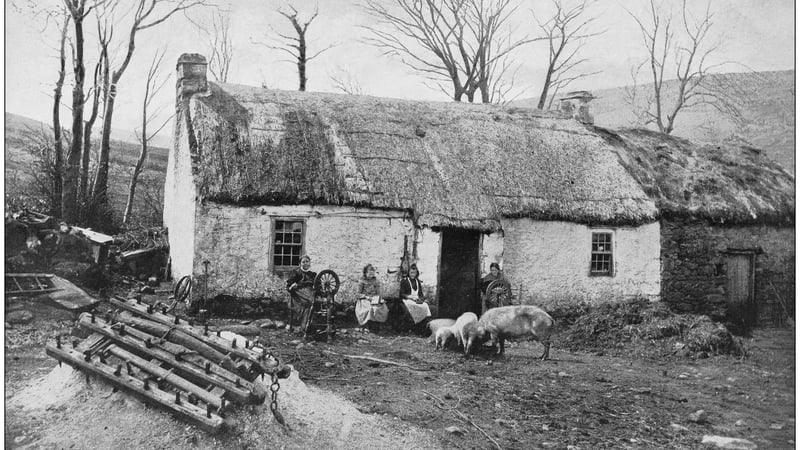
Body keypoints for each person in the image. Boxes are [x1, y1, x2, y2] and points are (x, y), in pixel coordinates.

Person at [286, 255, 317, 331]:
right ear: (300, 264)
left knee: (317, 302)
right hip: (297, 296)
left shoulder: (313, 274)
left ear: (310, 263)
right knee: (310, 302)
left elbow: (318, 286)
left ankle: (312, 325)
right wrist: (294, 286)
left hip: (310, 293)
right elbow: (289, 287)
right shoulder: (296, 273)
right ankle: (305, 326)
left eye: (307, 261)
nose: (306, 263)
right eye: (303, 262)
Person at [355, 264, 389, 331]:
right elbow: (358, 294)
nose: (371, 276)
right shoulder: (362, 281)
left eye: (372, 274)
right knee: (369, 309)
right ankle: (366, 324)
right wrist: (366, 297)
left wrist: (379, 299)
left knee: (380, 307)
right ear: (365, 273)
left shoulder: (375, 281)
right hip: (364, 299)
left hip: (374, 299)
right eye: (369, 274)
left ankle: (376, 324)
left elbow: (378, 293)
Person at [399, 264, 431, 329]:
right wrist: (409, 297)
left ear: (416, 273)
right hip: (408, 300)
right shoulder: (404, 281)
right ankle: (413, 325)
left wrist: (421, 299)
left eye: (414, 273)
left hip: (416, 300)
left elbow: (420, 293)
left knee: (425, 305)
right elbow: (401, 294)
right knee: (414, 306)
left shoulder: (417, 281)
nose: (412, 274)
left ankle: (422, 326)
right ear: (408, 272)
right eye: (411, 273)